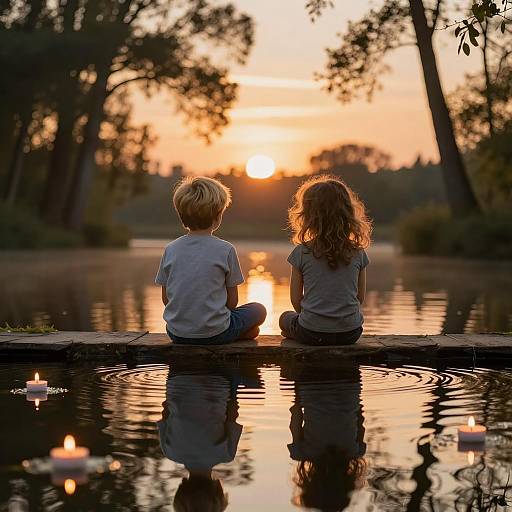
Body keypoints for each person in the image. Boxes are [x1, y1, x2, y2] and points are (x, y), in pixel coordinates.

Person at [156, 176, 266, 344]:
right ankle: (232, 334)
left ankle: (232, 332)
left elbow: (166, 299)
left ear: (181, 215)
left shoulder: (170, 249)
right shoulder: (226, 249)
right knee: (259, 310)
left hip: (177, 333)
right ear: (217, 216)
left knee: (249, 327)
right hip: (215, 333)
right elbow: (232, 303)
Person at [279, 175, 371, 346]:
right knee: (293, 324)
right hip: (350, 333)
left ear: (308, 216)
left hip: (312, 333)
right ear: (347, 213)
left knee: (285, 319)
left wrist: (314, 320)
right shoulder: (358, 252)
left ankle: (295, 332)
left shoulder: (301, 252)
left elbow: (295, 301)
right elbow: (359, 297)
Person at [157, 367, 243, 512]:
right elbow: (165, 409)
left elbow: (233, 410)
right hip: (176, 378)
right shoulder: (169, 452)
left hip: (218, 379)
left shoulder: (226, 454)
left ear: (218, 493)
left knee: (246, 384)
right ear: (180, 491)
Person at [284, 364, 367, 511]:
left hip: (350, 378)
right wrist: (299, 388)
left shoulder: (357, 451)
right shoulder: (301, 453)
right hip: (310, 380)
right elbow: (296, 413)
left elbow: (359, 416)